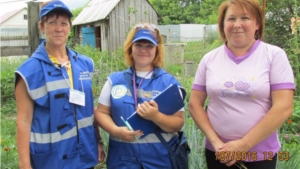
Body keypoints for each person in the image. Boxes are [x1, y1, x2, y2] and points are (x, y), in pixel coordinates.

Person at [188, 0, 295, 169]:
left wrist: (244, 145)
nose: (237, 24)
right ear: (223, 25)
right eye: (231, 19)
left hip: (260, 155)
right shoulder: (209, 59)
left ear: (257, 24)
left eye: (245, 18)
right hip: (218, 153)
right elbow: (194, 104)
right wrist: (217, 143)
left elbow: (283, 107)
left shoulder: (274, 56)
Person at [15, 1, 105, 169]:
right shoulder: (28, 73)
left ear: (70, 27)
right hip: (51, 160)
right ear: (41, 26)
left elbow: (88, 108)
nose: (59, 28)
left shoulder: (85, 64)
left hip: (84, 155)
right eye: (52, 23)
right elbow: (24, 121)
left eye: (64, 23)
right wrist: (25, 166)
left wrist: (98, 141)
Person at [94, 23, 185, 169]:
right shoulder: (114, 81)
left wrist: (156, 116)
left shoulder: (170, 83)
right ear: (131, 48)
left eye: (149, 46)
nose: (143, 50)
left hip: (160, 159)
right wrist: (115, 130)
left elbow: (178, 123)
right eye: (138, 45)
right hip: (122, 159)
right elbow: (101, 113)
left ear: (157, 50)